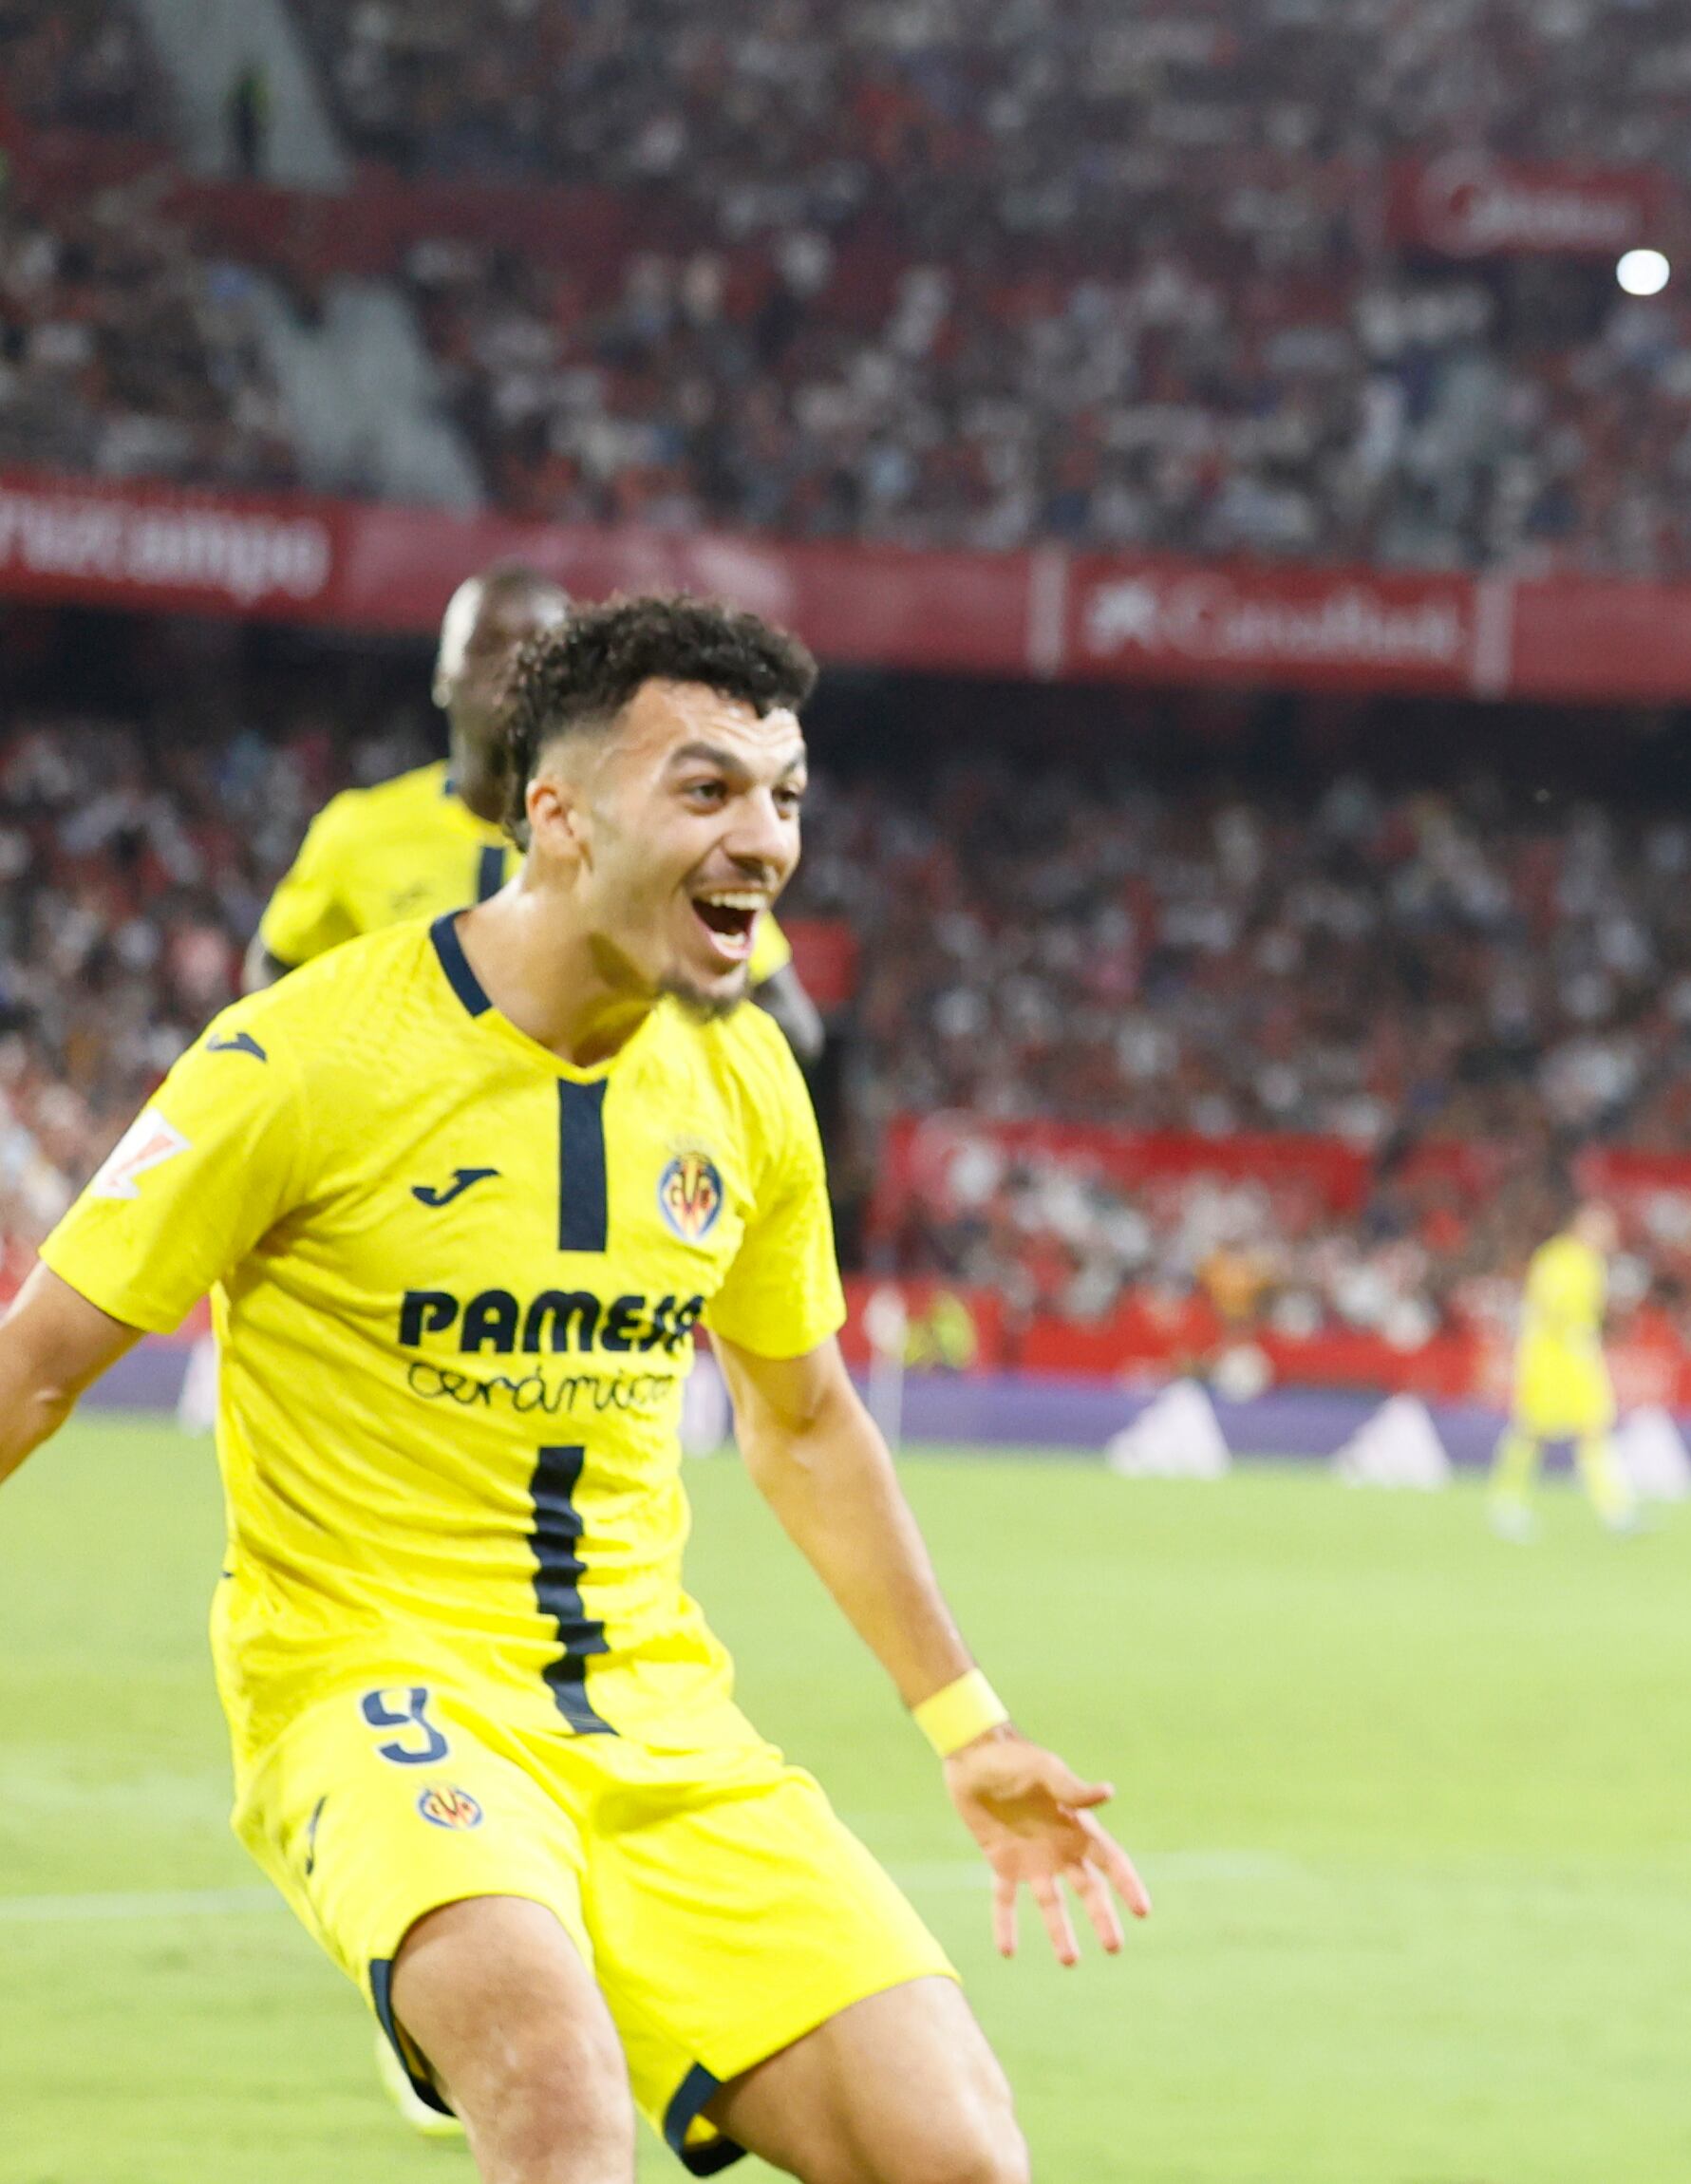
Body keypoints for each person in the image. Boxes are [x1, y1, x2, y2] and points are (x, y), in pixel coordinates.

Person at [0, 594, 1143, 2183]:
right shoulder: (297, 1064)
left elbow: (802, 1421)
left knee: (959, 2159)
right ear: (556, 814)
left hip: (657, 1723)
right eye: (707, 791)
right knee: (555, 2094)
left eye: (785, 796)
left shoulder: (744, 1080)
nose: (764, 840)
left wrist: (968, 1726)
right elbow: (35, 1372)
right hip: (375, 1688)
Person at [250, 562, 827, 1065]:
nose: (513, 668)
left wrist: (647, 1071)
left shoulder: (634, 839)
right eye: (487, 647)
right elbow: (270, 980)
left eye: (537, 649)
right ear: (442, 676)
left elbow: (792, 1026)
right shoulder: (360, 830)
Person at [1489, 1200, 1636, 1540]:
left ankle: (1614, 1508)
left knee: (1592, 1428)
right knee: (1532, 1430)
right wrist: (1572, 1340)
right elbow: (1549, 1308)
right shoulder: (1558, 1259)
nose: (1609, 1236)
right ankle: (1506, 1503)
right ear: (1582, 1226)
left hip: (1576, 1356)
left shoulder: (1590, 1263)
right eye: (1602, 1228)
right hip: (1551, 1359)